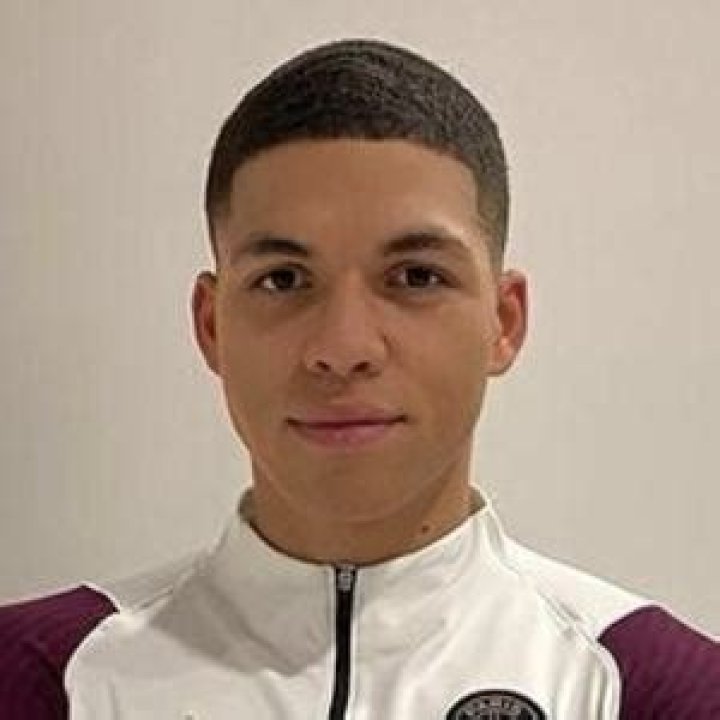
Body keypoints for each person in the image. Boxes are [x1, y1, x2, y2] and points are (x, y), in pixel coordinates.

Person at [0, 37, 718, 720]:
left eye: (416, 277)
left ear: (503, 322)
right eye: (284, 279)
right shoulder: (36, 676)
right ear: (212, 325)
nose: (343, 347)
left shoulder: (659, 690)